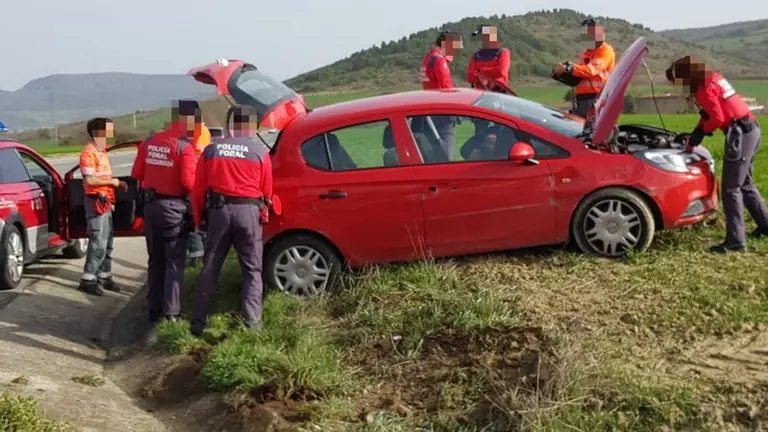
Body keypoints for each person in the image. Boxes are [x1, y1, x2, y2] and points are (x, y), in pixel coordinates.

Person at [666, 56, 768, 253]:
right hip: (751, 129)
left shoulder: (703, 88)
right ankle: (765, 226)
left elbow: (717, 117)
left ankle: (736, 242)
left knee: (731, 189)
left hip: (740, 134)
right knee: (745, 184)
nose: (680, 87)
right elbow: (709, 114)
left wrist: (702, 133)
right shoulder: (712, 78)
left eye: (678, 81)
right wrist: (696, 131)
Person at [190, 105, 273, 337]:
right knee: (252, 269)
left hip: (219, 212)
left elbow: (198, 190)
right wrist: (263, 215)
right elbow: (267, 191)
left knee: (210, 267)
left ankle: (197, 323)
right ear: (252, 126)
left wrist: (198, 220)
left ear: (229, 125)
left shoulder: (211, 149)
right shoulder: (260, 151)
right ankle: (253, 325)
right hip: (249, 213)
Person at [131, 100, 198, 326]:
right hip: (174, 210)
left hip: (151, 208)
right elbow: (188, 183)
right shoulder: (184, 147)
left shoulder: (149, 142)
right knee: (174, 261)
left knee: (155, 259)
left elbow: (136, 172)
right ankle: (171, 312)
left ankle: (154, 309)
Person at [77, 118, 127, 295]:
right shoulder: (88, 153)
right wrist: (112, 182)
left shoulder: (101, 152)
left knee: (108, 242)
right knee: (98, 242)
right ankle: (88, 279)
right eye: (108, 130)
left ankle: (105, 276)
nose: (111, 134)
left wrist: (116, 185)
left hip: (107, 202)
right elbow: (89, 180)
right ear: (99, 132)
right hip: (96, 202)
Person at [552, 18, 615, 118]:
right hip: (581, 101)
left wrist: (569, 68)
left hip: (597, 99)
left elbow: (592, 70)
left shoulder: (605, 50)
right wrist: (563, 74)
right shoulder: (585, 54)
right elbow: (582, 74)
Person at [419, 30, 463, 158]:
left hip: (430, 108)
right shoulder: (439, 61)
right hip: (444, 112)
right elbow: (447, 89)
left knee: (432, 153)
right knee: (446, 153)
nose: (454, 51)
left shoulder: (427, 59)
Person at [187, 104, 212, 267]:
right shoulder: (204, 130)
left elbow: (192, 155)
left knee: (192, 218)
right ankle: (205, 255)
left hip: (194, 181)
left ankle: (197, 257)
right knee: (202, 218)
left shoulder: (197, 132)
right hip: (203, 181)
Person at [466, 24, 511, 92]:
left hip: (499, 94)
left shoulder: (503, 52)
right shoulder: (476, 56)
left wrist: (481, 71)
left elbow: (501, 71)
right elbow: (470, 77)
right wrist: (488, 74)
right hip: (481, 95)